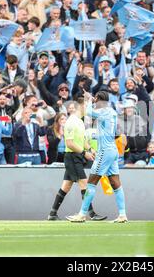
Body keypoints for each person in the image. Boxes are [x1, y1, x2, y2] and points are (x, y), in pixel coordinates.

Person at [67, 91, 127, 223]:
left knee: (91, 183)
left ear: (99, 100)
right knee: (115, 182)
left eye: (96, 100)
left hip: (105, 151)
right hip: (112, 150)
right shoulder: (112, 112)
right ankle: (122, 214)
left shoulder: (103, 111)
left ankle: (82, 214)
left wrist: (88, 99)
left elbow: (88, 112)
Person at [47, 100, 106, 221]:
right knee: (85, 184)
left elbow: (82, 140)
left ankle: (52, 214)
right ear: (83, 106)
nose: (90, 109)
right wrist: (85, 153)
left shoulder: (80, 121)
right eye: (88, 106)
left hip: (76, 156)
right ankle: (91, 214)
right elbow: (70, 143)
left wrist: (90, 149)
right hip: (72, 157)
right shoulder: (70, 122)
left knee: (66, 186)